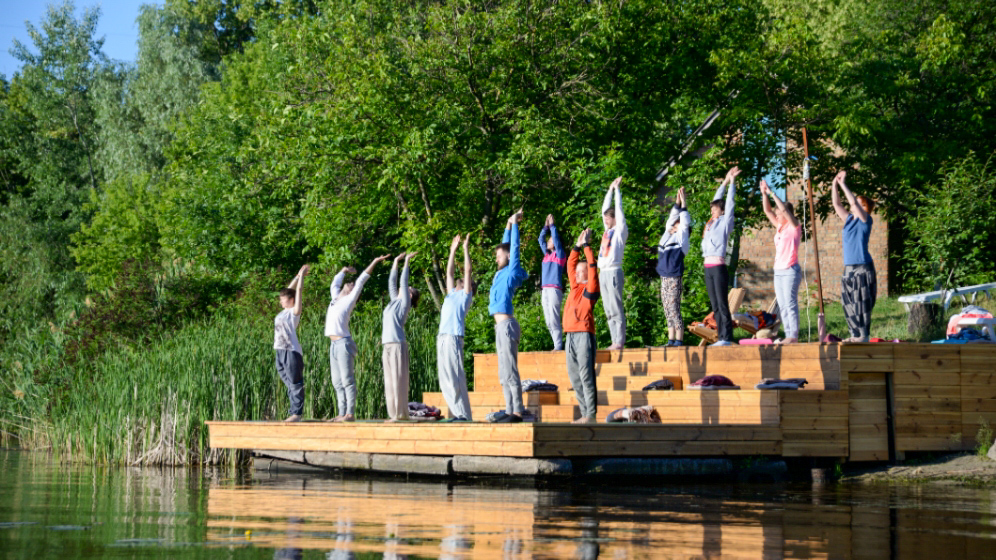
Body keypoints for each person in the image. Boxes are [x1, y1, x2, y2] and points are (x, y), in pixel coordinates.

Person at [325, 254, 390, 422]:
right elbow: (335, 283)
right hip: (333, 344)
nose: (351, 283)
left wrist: (375, 261)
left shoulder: (348, 300)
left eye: (352, 285)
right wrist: (344, 270)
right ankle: (341, 413)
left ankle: (350, 413)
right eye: (350, 282)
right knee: (336, 382)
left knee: (347, 380)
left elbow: (361, 280)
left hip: (343, 343)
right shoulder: (335, 299)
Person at [488, 209, 529, 423]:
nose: (496, 257)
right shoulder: (500, 272)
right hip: (499, 327)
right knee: (503, 370)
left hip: (507, 325)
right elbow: (505, 246)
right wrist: (507, 223)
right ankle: (508, 408)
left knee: (510, 369)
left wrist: (515, 225)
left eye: (499, 255)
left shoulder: (512, 270)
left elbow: (512, 248)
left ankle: (518, 410)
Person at [831, 170, 877, 342]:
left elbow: (854, 204)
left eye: (859, 203)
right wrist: (834, 184)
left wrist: (844, 183)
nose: (854, 205)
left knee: (861, 302)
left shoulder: (866, 221)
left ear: (865, 208)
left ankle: (863, 335)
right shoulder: (849, 220)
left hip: (862, 266)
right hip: (849, 267)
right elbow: (837, 205)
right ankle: (854, 334)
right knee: (848, 302)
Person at [701, 166, 742, 347]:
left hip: (718, 266)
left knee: (722, 303)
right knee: (715, 305)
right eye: (711, 209)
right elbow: (716, 200)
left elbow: (729, 202)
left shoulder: (725, 223)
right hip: (707, 267)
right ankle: (720, 336)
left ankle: (727, 337)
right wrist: (724, 181)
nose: (712, 211)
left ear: (722, 211)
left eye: (715, 209)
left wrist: (732, 183)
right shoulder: (710, 224)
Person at [563, 228, 600, 423]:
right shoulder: (575, 286)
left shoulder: (591, 287)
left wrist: (586, 246)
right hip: (569, 334)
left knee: (586, 375)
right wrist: (576, 245)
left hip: (584, 334)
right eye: (576, 272)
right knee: (574, 377)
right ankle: (584, 413)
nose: (576, 273)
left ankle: (591, 414)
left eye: (580, 271)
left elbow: (593, 266)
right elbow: (570, 263)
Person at [759, 179, 802, 344]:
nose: (777, 216)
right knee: (782, 305)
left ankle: (793, 336)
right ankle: (789, 334)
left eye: (780, 214)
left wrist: (771, 192)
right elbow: (767, 210)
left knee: (790, 303)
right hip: (778, 271)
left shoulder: (794, 226)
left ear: (786, 214)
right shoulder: (780, 227)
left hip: (790, 269)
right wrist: (763, 194)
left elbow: (782, 208)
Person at [437, 234, 474, 422]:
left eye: (462, 281)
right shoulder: (451, 294)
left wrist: (465, 249)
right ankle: (457, 413)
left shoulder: (465, 296)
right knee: (445, 379)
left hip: (453, 337)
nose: (458, 280)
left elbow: (467, 271)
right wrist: (452, 250)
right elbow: (449, 274)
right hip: (442, 337)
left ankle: (464, 415)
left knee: (456, 378)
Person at [382, 252, 420, 421]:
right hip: (387, 344)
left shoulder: (404, 304)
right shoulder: (393, 301)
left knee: (398, 380)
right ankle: (393, 414)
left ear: (410, 295)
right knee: (389, 381)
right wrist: (396, 262)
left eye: (409, 290)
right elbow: (392, 282)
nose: (405, 288)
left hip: (397, 344)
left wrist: (407, 262)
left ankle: (400, 414)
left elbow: (403, 283)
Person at [656, 186, 691, 346]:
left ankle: (679, 340)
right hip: (664, 276)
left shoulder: (681, 240)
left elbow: (684, 223)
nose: (674, 225)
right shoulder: (667, 235)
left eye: (676, 224)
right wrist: (677, 201)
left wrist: (684, 203)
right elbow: (672, 217)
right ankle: (670, 339)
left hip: (673, 276)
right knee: (667, 310)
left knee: (674, 309)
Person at [275, 265, 309, 422]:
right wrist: (296, 276)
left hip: (291, 351)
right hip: (280, 350)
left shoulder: (294, 312)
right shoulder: (282, 312)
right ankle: (294, 410)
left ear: (291, 301)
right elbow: (288, 290)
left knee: (295, 383)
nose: (281, 302)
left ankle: (297, 413)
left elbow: (298, 292)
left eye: (283, 300)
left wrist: (302, 278)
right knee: (289, 383)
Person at [598, 177, 628, 350]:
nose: (606, 220)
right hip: (604, 272)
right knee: (608, 308)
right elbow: (604, 208)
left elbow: (619, 210)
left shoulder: (619, 232)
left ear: (615, 219)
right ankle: (613, 339)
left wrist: (617, 191)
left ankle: (619, 340)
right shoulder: (607, 232)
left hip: (614, 271)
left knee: (616, 307)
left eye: (608, 218)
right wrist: (609, 189)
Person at [538, 214, 568, 351]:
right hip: (545, 289)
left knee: (554, 318)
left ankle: (558, 345)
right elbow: (540, 239)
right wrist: (545, 227)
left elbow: (555, 239)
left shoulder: (560, 255)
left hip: (555, 289)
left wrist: (552, 226)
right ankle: (556, 344)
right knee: (548, 319)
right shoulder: (547, 255)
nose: (548, 241)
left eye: (550, 240)